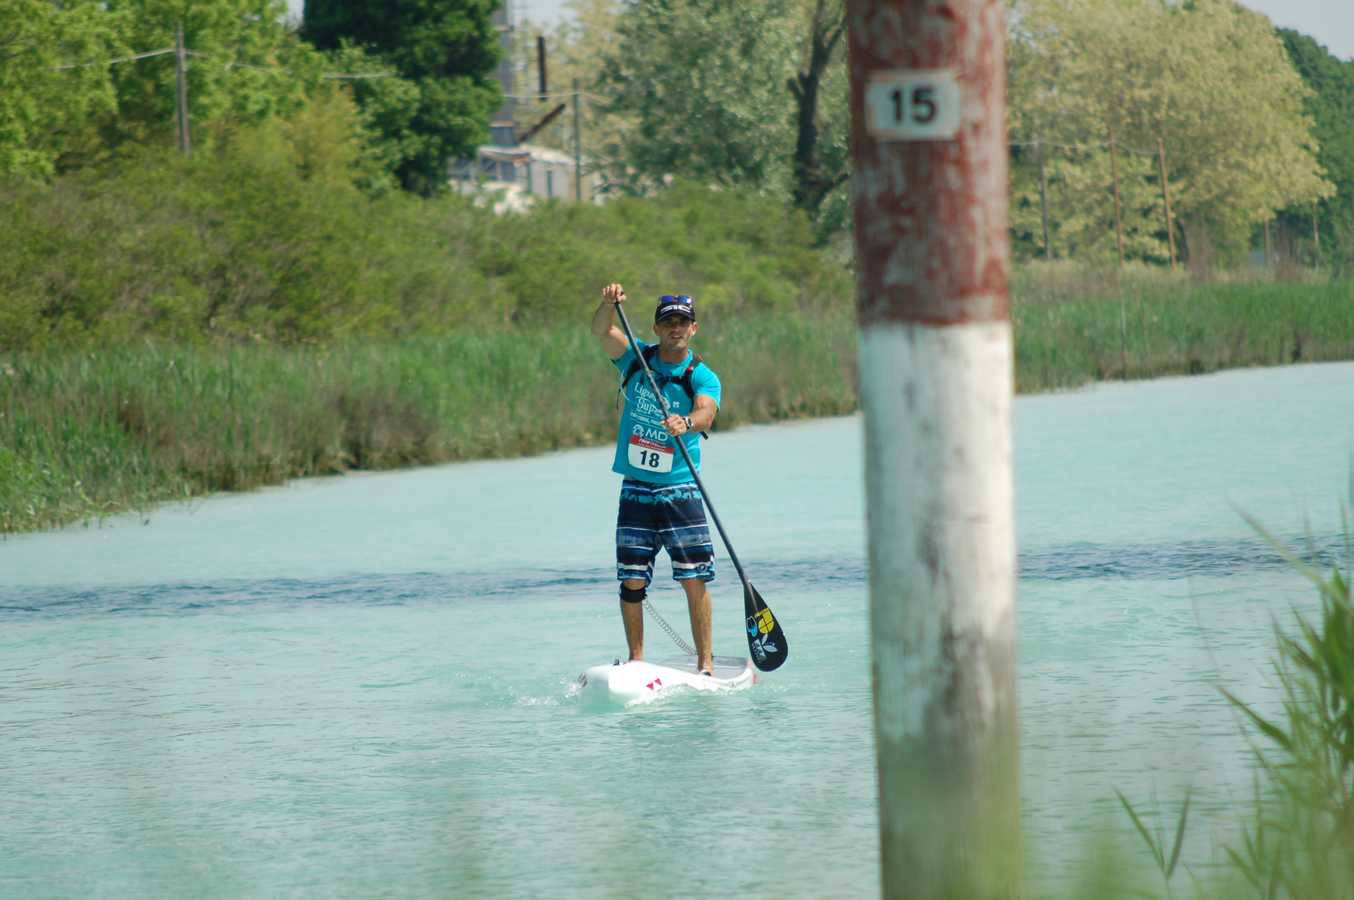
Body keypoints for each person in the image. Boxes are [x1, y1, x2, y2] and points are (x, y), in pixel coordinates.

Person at [592, 283, 721, 674]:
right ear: (657, 327)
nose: (675, 329)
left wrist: (687, 423)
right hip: (635, 487)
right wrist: (607, 304)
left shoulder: (701, 375)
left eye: (683, 322)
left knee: (693, 578)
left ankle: (705, 663)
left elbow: (707, 412)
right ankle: (636, 661)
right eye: (669, 323)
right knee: (632, 581)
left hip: (680, 488)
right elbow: (601, 331)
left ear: (693, 329)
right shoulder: (636, 358)